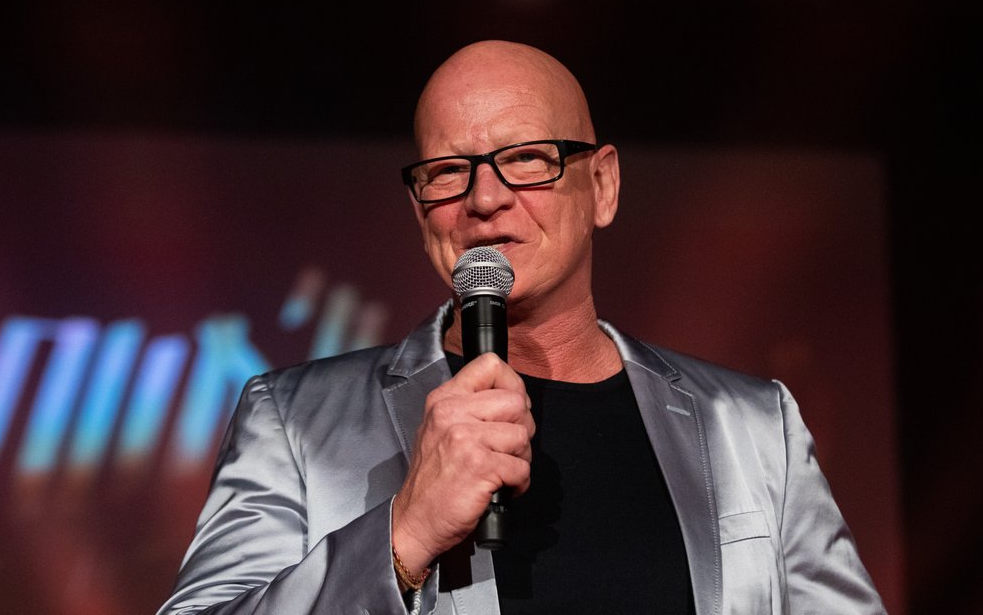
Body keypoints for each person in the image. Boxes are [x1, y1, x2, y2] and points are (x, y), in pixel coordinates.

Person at [157, 40, 885, 614]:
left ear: (602, 185)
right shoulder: (295, 422)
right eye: (448, 170)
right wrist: (402, 537)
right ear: (421, 213)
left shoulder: (752, 428)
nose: (484, 198)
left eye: (526, 160)